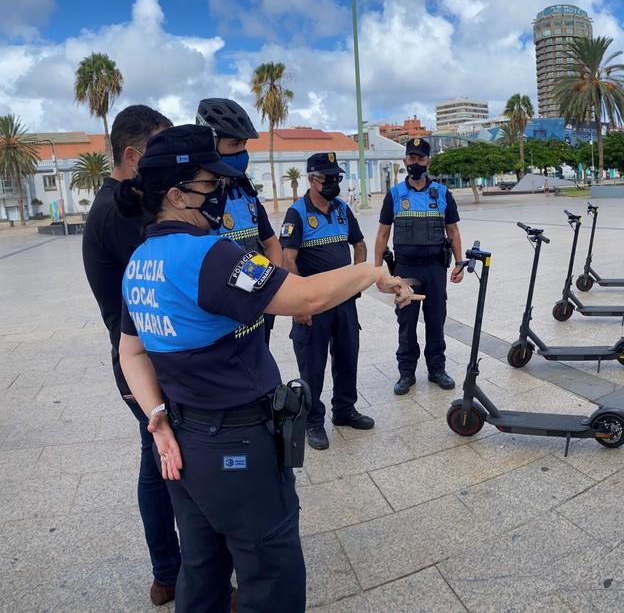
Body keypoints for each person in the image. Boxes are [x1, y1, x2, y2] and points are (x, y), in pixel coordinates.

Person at [116, 125, 419, 612]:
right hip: (238, 444)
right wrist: (375, 271)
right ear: (176, 194)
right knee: (268, 571)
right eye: (209, 186)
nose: (219, 196)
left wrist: (156, 418)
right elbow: (308, 295)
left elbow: (130, 352)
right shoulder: (208, 256)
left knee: (202, 568)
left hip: (185, 442)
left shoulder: (140, 262)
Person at [81, 105, 180, 606]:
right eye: (158, 152)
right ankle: (172, 575)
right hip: (140, 360)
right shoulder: (116, 214)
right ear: (133, 154)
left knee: (158, 463)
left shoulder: (129, 204)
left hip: (149, 354)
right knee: (161, 466)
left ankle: (169, 575)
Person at [280, 153, 375, 450]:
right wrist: (298, 304)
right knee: (312, 366)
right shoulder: (296, 214)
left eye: (337, 178)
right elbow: (288, 259)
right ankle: (312, 421)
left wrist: (356, 281)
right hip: (314, 305)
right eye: (328, 179)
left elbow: (359, 244)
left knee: (348, 357)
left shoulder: (343, 209)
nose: (334, 183)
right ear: (312, 179)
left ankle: (344, 410)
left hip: (344, 302)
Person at [375, 137, 466, 395]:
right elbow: (382, 235)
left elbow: (454, 231)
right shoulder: (394, 195)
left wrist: (459, 263)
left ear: (428, 161)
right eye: (411, 158)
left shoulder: (443, 193)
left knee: (436, 321)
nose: (416, 162)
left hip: (435, 268)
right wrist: (377, 271)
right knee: (407, 323)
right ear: (405, 160)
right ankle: (406, 373)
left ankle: (437, 370)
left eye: (420, 158)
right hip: (405, 271)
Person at [196, 98, 284, 346]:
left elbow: (272, 244)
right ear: (210, 144)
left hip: (257, 316)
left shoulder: (245, 192)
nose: (241, 153)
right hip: (219, 327)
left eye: (243, 144)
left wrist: (270, 292)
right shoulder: (195, 200)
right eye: (233, 144)